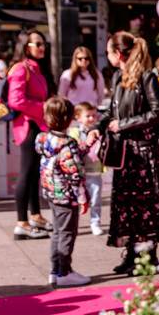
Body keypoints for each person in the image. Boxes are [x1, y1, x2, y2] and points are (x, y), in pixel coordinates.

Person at [103, 31, 159, 274]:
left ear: (118, 53)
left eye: (109, 51)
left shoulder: (147, 77)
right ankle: (131, 253)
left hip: (143, 149)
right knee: (125, 202)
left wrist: (125, 124)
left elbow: (158, 111)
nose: (107, 56)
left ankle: (148, 256)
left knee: (145, 203)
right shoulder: (118, 77)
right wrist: (98, 127)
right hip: (124, 151)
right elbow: (113, 112)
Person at [37, 98, 95, 288]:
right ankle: (65, 272)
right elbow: (75, 172)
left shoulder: (43, 139)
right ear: (69, 118)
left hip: (50, 191)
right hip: (66, 195)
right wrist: (83, 198)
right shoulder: (67, 143)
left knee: (57, 232)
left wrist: (85, 145)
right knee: (67, 233)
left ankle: (55, 271)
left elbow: (70, 157)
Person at [8, 31, 53, 240]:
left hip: (37, 126)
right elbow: (15, 100)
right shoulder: (20, 69)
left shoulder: (37, 69)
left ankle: (35, 216)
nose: (41, 47)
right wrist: (43, 107)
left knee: (34, 173)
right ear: (27, 47)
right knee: (26, 173)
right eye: (37, 44)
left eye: (43, 43)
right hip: (27, 127)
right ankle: (21, 223)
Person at [70, 102, 106, 236]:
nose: (92, 119)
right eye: (88, 116)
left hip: (94, 171)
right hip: (78, 174)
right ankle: (74, 224)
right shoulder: (74, 132)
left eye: (94, 116)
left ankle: (95, 222)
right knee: (76, 200)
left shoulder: (99, 132)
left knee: (96, 198)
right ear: (78, 117)